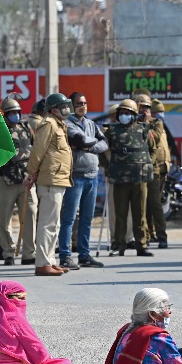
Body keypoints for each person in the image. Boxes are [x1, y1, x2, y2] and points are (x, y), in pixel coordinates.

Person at [26, 93, 74, 276]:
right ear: (54, 109)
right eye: (63, 106)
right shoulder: (48, 124)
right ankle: (42, 263)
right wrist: (32, 172)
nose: (67, 109)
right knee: (47, 223)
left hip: (58, 178)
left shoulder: (58, 124)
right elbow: (38, 150)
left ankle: (50, 261)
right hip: (50, 178)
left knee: (54, 223)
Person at [59, 92, 108, 270]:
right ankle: (65, 255)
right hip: (76, 176)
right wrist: (88, 143)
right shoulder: (67, 124)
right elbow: (79, 139)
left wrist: (89, 145)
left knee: (87, 218)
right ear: (72, 106)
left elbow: (104, 143)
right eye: (79, 103)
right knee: (69, 218)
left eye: (85, 103)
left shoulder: (91, 124)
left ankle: (84, 255)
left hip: (92, 177)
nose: (83, 106)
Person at [104, 99, 157, 257]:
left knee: (140, 213)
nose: (124, 116)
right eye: (121, 113)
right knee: (120, 214)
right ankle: (119, 244)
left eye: (127, 113)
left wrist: (147, 164)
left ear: (134, 115)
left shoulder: (144, 130)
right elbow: (102, 150)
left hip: (139, 178)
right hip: (120, 179)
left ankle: (141, 245)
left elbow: (153, 150)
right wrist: (109, 166)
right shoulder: (112, 131)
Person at [0, 97, 38, 266]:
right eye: (11, 113)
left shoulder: (26, 127)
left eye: (16, 112)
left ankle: (28, 253)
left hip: (26, 179)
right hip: (6, 181)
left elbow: (34, 147)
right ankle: (8, 253)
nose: (15, 116)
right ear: (4, 114)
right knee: (5, 218)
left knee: (31, 215)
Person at [135, 94, 169, 249]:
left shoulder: (156, 123)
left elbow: (154, 138)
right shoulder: (132, 123)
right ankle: (145, 237)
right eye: (141, 108)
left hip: (153, 168)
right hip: (136, 168)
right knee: (141, 205)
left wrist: (146, 123)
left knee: (155, 203)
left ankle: (162, 236)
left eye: (146, 108)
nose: (144, 111)